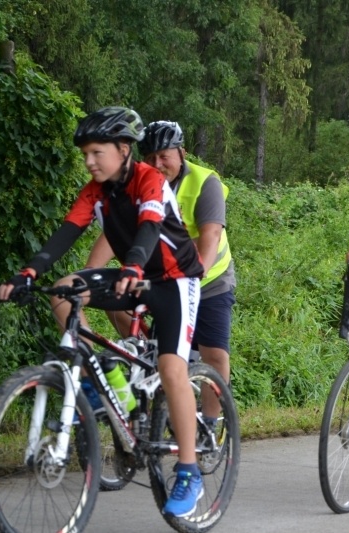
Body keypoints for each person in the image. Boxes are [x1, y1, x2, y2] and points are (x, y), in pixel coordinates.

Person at [0, 107, 205, 518]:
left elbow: (149, 226)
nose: (89, 162)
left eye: (96, 152)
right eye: (86, 155)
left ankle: (189, 470)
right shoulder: (96, 191)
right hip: (131, 274)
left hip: (173, 279)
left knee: (171, 368)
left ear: (123, 149)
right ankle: (103, 377)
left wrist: (133, 264)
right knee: (62, 291)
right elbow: (66, 232)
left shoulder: (150, 179)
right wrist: (27, 272)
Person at [87, 120, 235, 431]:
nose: (157, 164)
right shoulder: (138, 181)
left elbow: (209, 239)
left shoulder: (204, 183)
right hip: (157, 276)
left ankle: (210, 422)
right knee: (119, 309)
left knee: (214, 354)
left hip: (208, 281)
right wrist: (89, 273)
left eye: (164, 156)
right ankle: (153, 369)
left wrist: (193, 279)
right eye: (151, 157)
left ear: (181, 153)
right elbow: (111, 237)